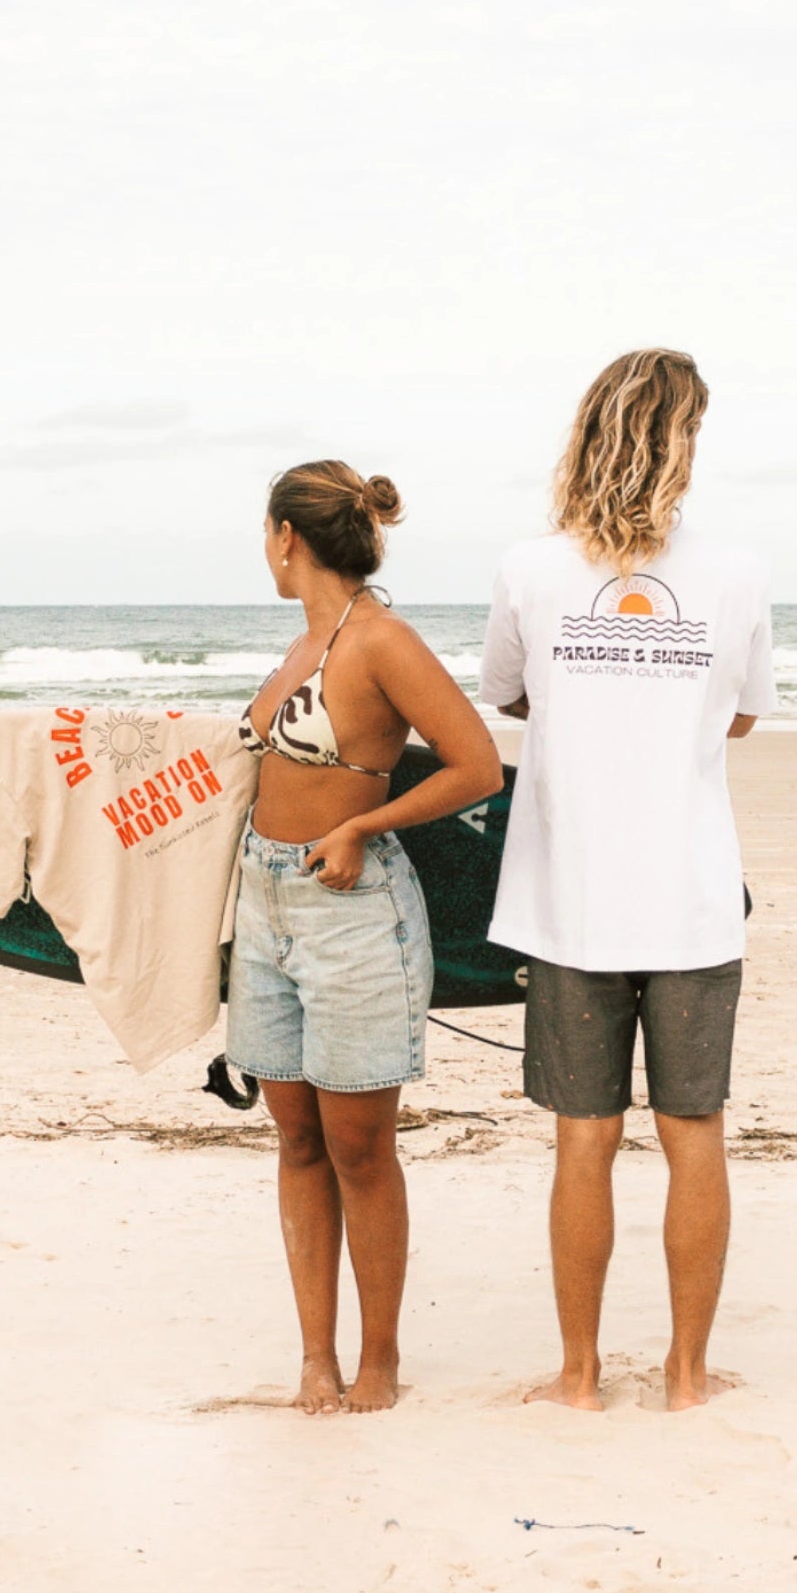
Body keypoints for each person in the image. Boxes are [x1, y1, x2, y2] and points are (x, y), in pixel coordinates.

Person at [479, 349, 778, 1412]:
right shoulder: (737, 572)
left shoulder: (530, 568)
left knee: (584, 1139)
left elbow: (510, 694)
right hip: (692, 899)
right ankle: (688, 1379)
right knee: (694, 1136)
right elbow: (741, 712)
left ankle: (580, 1376)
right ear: (681, 443)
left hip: (575, 901)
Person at [228, 460, 502, 1415]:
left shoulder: (381, 639)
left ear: (286, 536)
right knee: (295, 1139)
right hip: (264, 909)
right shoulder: (298, 648)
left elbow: (477, 767)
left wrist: (361, 826)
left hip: (352, 914)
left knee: (358, 1146)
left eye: (263, 534)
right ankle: (316, 1358)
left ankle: (378, 1358)